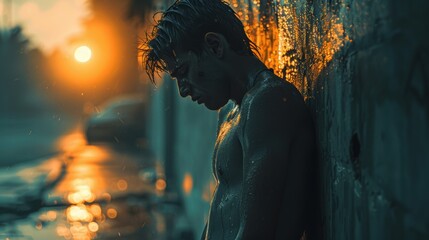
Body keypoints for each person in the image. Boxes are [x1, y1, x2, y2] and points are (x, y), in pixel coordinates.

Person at [143, 0, 317, 239]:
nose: (183, 90)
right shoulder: (230, 112)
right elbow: (222, 210)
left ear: (214, 46)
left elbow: (257, 233)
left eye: (183, 73)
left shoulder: (268, 102)